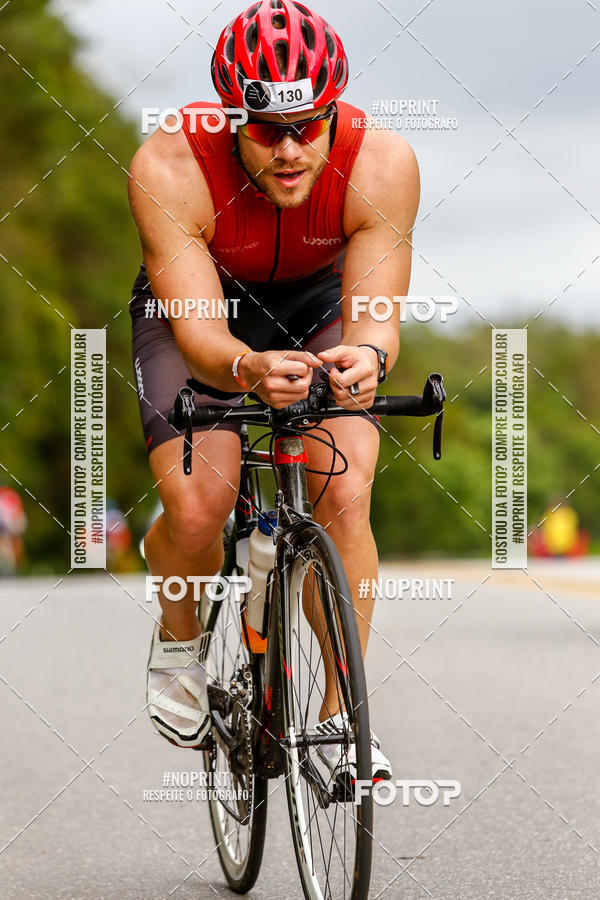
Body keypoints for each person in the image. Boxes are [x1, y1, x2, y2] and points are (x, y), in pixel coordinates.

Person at [128, 0, 419, 781]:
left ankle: (338, 718)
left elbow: (376, 319)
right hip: (202, 309)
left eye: (308, 126)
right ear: (232, 119)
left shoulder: (382, 162)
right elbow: (200, 336)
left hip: (318, 307)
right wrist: (248, 367)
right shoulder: (171, 163)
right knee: (198, 504)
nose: (289, 151)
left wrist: (370, 356)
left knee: (344, 489)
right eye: (264, 130)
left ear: (333, 109)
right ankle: (181, 636)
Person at [0, 486, 27, 574]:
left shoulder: (9, 495)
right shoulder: (9, 494)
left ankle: (18, 568)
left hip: (13, 519)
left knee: (16, 542)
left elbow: (17, 513)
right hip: (6, 521)